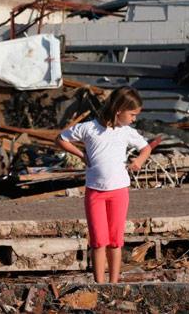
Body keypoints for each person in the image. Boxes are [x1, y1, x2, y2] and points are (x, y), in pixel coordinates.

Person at [55, 86, 151, 283]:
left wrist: (139, 161)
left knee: (115, 242)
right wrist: (82, 155)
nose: (134, 119)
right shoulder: (89, 128)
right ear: (119, 110)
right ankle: (100, 284)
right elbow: (61, 139)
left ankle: (113, 283)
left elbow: (146, 148)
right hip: (95, 194)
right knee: (98, 241)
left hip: (119, 193)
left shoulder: (127, 132)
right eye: (132, 114)